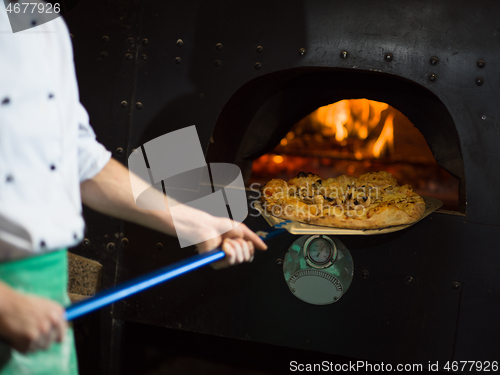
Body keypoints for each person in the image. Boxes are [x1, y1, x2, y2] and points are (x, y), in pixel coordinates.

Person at [0, 6, 266, 375]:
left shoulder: (41, 19)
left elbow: (79, 159)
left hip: (45, 285)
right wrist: (5, 305)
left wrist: (196, 223)